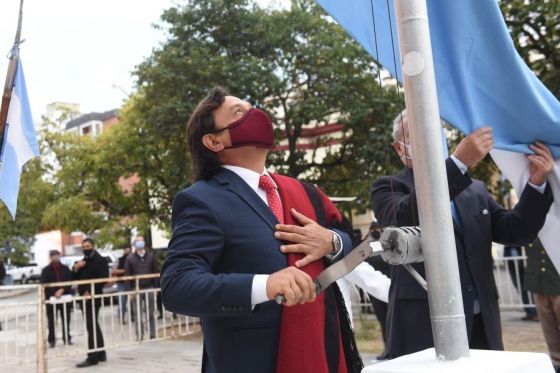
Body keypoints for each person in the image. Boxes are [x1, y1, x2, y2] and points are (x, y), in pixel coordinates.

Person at [161, 87, 363, 373]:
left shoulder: (306, 191)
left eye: (250, 106)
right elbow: (177, 287)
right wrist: (263, 286)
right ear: (214, 141)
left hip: (325, 352)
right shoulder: (201, 200)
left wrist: (331, 241)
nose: (254, 114)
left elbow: (349, 239)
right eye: (239, 112)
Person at [370, 110, 555, 358]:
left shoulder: (474, 189)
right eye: (416, 133)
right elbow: (404, 218)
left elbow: (516, 231)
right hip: (424, 325)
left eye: (433, 132)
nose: (427, 140)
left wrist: (536, 183)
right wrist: (459, 164)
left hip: (480, 320)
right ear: (399, 148)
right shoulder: (388, 187)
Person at [525, 238, 560, 373]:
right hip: (538, 282)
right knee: (549, 330)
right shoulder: (532, 224)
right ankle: (557, 363)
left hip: (557, 281)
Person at [73, 238, 109, 368]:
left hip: (94, 297)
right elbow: (73, 278)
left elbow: (103, 278)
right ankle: (101, 352)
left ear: (93, 246)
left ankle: (92, 356)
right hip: (84, 298)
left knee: (91, 325)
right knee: (93, 325)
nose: (86, 249)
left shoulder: (100, 260)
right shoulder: (82, 261)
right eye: (83, 247)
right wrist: (76, 268)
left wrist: (90, 291)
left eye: (88, 246)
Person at [364, 221, 392, 360]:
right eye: (372, 229)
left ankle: (394, 348)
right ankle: (387, 348)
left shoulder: (387, 243)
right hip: (375, 292)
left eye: (377, 228)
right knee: (382, 319)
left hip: (389, 287)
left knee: (392, 318)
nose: (375, 230)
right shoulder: (366, 246)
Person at [125, 236, 159, 340]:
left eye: (141, 240)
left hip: (149, 287)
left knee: (151, 312)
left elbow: (156, 272)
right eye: (138, 241)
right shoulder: (130, 258)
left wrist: (156, 288)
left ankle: (152, 333)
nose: (140, 242)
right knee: (137, 313)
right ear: (134, 244)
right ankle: (139, 334)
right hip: (136, 289)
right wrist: (129, 292)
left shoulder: (151, 256)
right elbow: (127, 276)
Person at [41, 250, 73, 348]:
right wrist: (54, 292)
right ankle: (52, 340)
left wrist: (62, 290)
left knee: (66, 319)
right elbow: (44, 284)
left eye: (57, 255)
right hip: (52, 299)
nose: (55, 257)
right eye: (53, 256)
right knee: (51, 321)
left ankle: (67, 338)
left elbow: (69, 281)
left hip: (64, 297)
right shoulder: (45, 270)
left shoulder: (65, 268)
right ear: (50, 257)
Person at [503, 245, 538, 321]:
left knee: (528, 289)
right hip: (516, 271)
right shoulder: (509, 249)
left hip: (525, 271)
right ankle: (530, 312)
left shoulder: (521, 246)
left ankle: (534, 312)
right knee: (521, 289)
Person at [112, 246, 131, 322]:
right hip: (121, 284)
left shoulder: (133, 258)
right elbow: (114, 271)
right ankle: (121, 317)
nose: (128, 252)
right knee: (122, 301)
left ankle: (133, 317)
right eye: (126, 251)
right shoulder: (119, 260)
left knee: (134, 301)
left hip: (131, 283)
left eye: (129, 251)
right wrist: (125, 271)